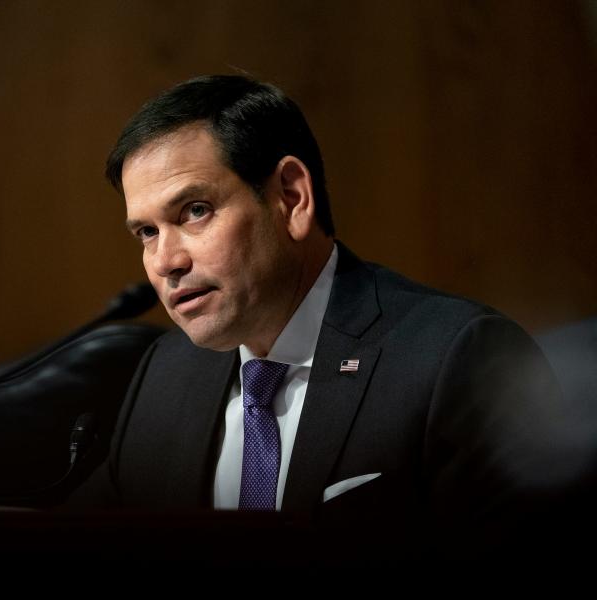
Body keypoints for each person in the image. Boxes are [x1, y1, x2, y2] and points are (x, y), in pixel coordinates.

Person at [72, 75, 566, 560]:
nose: (165, 262)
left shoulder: (457, 360)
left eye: (195, 210)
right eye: (146, 233)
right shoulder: (164, 377)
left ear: (291, 197)